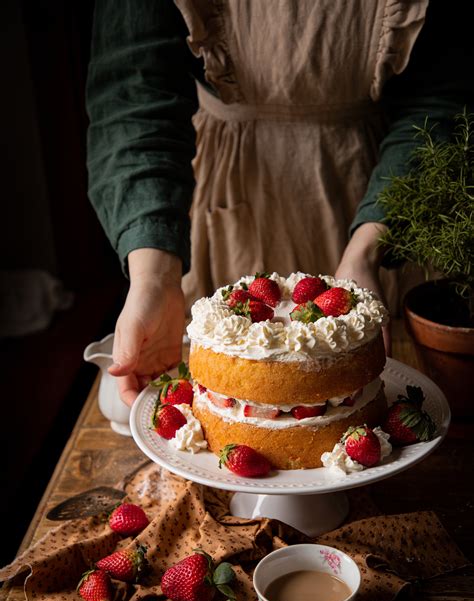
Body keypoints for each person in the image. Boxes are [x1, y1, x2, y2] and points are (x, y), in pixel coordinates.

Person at [85, 0, 473, 406]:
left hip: (376, 184)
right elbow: (133, 94)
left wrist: (368, 249)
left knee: (360, 397)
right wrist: (155, 278)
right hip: (226, 185)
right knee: (232, 394)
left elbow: (446, 94)